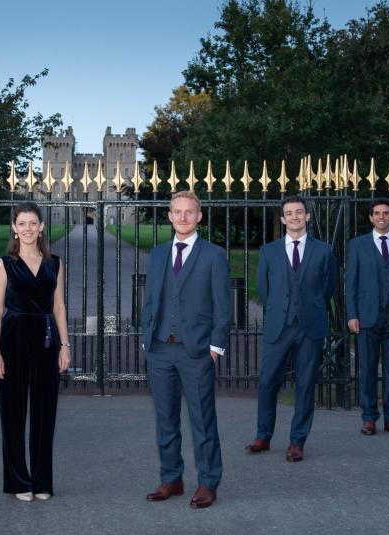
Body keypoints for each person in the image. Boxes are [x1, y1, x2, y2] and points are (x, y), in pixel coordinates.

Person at [140, 190, 232, 509]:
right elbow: (150, 299)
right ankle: (171, 479)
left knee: (202, 420)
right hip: (161, 348)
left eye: (189, 212)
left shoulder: (213, 255)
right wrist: (146, 338)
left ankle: (208, 482)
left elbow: (223, 306)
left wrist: (215, 347)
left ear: (199, 216)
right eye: (177, 212)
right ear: (169, 216)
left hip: (197, 351)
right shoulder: (158, 254)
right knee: (165, 418)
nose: (182, 217)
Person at [0, 202, 71, 502]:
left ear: (41, 227)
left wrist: (65, 345)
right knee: (12, 413)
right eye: (21, 223)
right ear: (14, 228)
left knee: (44, 412)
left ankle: (42, 480)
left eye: (32, 223)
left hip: (46, 340)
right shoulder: (5, 264)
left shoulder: (55, 264)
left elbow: (59, 307)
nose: (27, 228)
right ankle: (17, 481)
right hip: (13, 338)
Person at [245, 196, 336, 462]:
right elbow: (263, 289)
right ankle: (263, 435)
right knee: (267, 382)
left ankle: (297, 442)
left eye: (299, 212)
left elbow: (328, 287)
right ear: (283, 219)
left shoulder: (323, 251)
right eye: (289, 213)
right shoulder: (268, 251)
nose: (295, 216)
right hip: (279, 326)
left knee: (306, 385)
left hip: (311, 326)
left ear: (307, 217)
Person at [346, 199, 389, 437]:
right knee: (366, 369)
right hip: (367, 317)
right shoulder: (358, 245)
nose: (381, 217)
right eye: (377, 213)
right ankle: (369, 418)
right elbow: (351, 284)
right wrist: (352, 314)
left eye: (386, 213)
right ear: (371, 218)